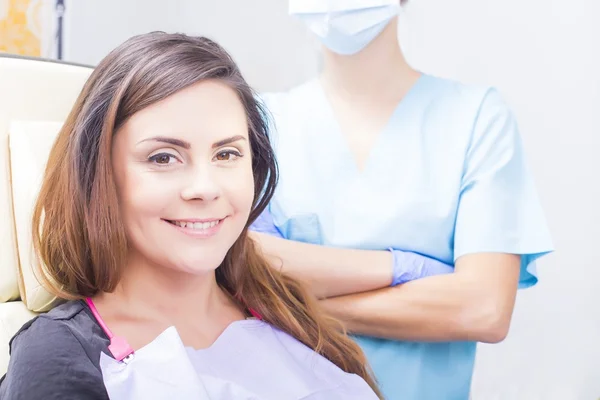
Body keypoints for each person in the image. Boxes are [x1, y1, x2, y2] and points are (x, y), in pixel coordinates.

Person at [0, 32, 382, 400]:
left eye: (226, 154)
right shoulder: (58, 355)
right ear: (99, 174)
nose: (205, 187)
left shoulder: (288, 313)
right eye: (163, 158)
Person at [249, 1, 554, 399]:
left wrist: (288, 305)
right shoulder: (260, 124)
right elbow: (242, 269)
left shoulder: (476, 118)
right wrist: (405, 268)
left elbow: (485, 309)